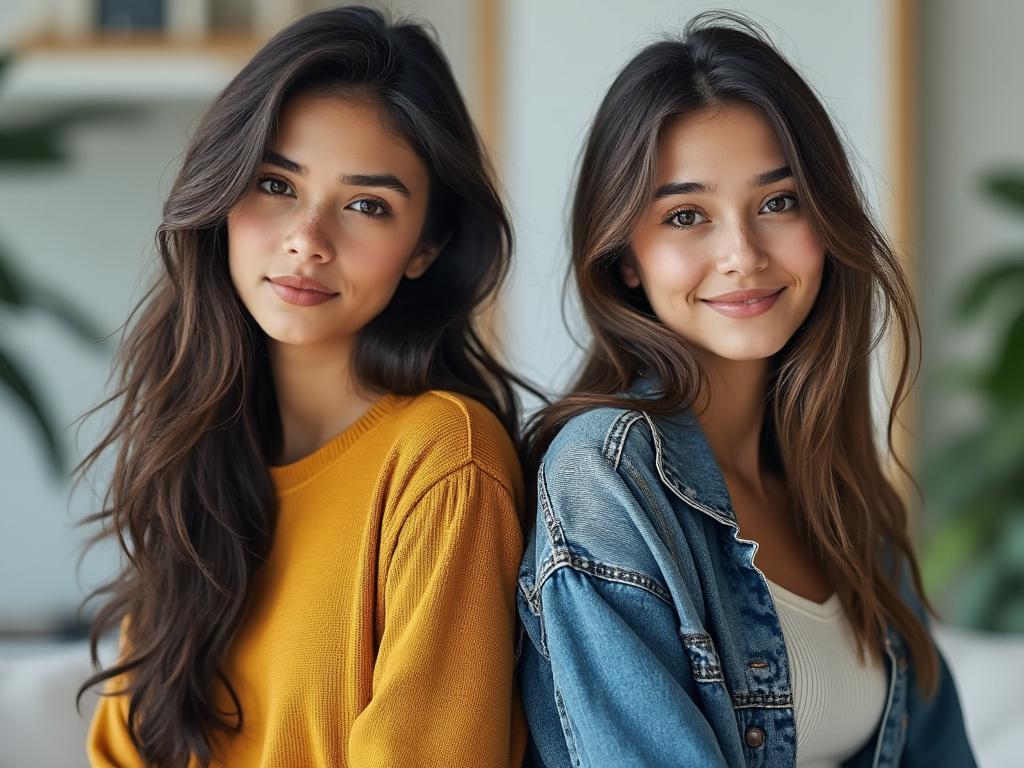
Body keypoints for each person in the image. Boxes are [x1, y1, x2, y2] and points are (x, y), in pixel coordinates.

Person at [517, 13, 976, 768]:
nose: (741, 254)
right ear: (626, 257)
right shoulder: (605, 476)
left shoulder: (845, 497)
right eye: (686, 215)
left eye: (778, 203)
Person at [80, 7, 526, 766]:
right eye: (275, 183)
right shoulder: (193, 457)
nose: (307, 240)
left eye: (366, 206)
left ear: (426, 247)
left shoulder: (445, 461)